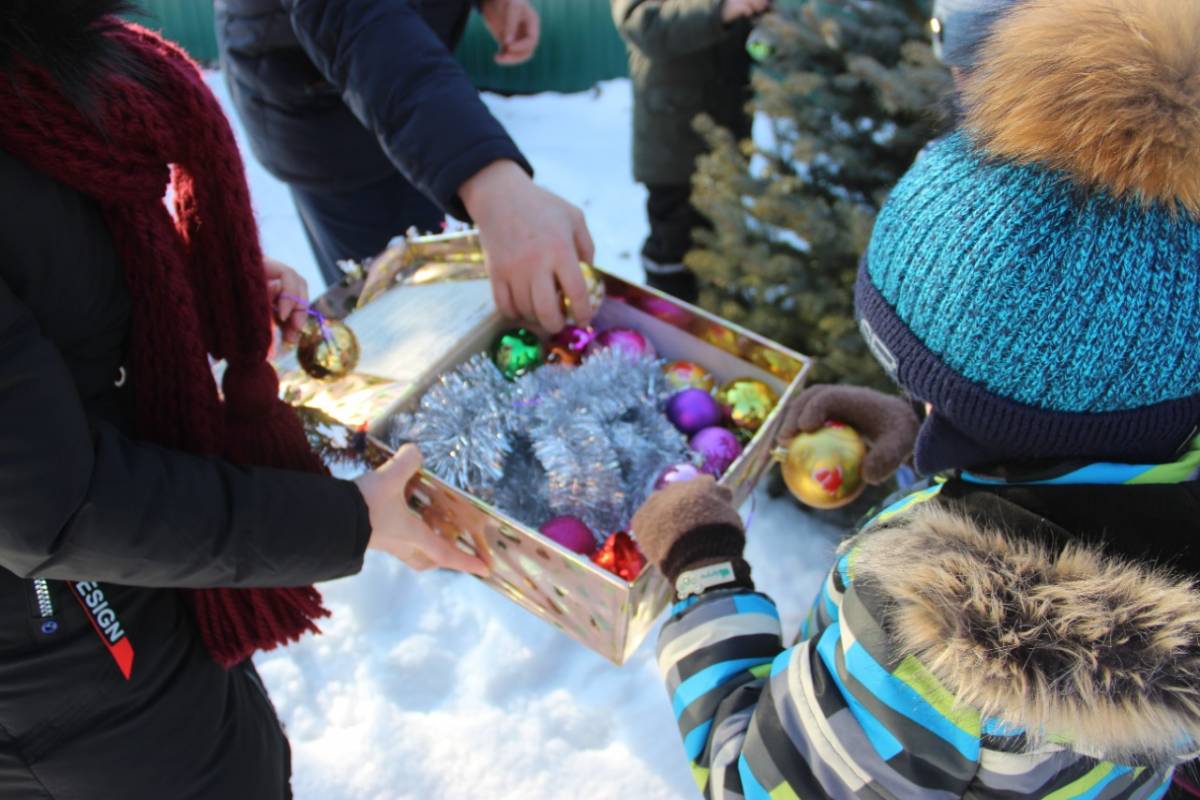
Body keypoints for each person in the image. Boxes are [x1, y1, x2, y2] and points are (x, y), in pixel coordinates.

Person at [631, 0, 1200, 796]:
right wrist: (935, 457)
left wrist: (703, 574)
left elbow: (753, 781)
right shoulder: (1159, 442)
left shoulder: (939, 644)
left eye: (927, 390)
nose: (920, 406)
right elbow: (1061, 479)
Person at [0, 3, 486, 796]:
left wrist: (192, 292)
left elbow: (47, 285)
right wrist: (350, 523)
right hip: (67, 652)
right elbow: (58, 507)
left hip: (146, 590)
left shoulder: (49, 64)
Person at [216, 0, 593, 334]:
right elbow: (358, 21)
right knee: (404, 323)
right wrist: (489, 182)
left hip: (419, 109)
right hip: (329, 119)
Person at [611, 0, 764, 304]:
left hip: (728, 137)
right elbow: (642, 23)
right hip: (674, 144)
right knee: (675, 256)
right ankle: (671, 333)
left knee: (725, 252)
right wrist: (720, 9)